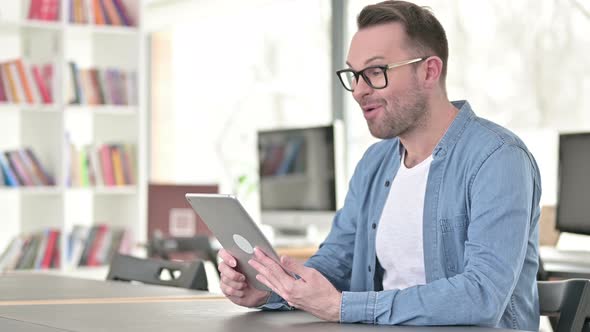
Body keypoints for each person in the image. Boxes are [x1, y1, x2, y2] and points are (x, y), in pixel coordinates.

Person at [217, 1, 541, 330]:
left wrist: (342, 306)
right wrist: (271, 290)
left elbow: (482, 296)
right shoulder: (375, 163)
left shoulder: (498, 158)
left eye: (375, 72)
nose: (358, 91)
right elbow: (336, 263)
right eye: (355, 75)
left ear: (429, 71)